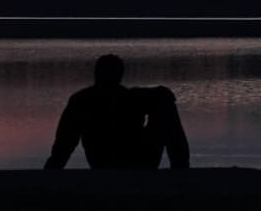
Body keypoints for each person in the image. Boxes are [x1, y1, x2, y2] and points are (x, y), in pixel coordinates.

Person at [44, 53, 190, 169]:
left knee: (164, 104)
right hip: (133, 161)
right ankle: (180, 168)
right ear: (120, 75)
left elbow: (64, 143)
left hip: (104, 162)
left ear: (96, 74)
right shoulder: (131, 97)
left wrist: (53, 168)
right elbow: (65, 142)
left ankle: (180, 168)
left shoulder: (82, 99)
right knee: (166, 106)